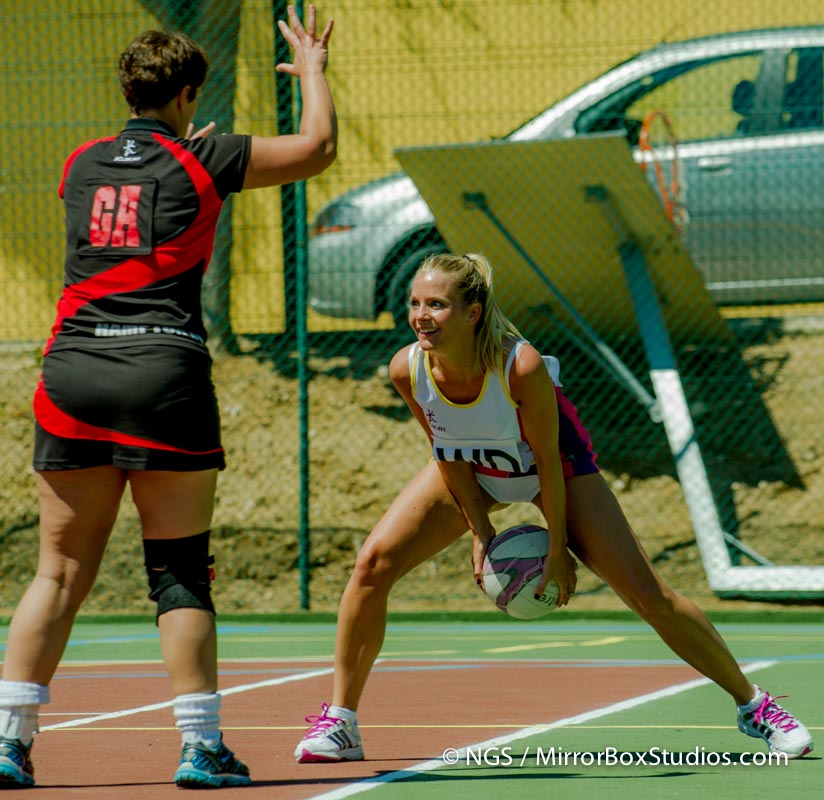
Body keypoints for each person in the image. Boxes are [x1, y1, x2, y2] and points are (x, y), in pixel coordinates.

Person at [293, 252, 813, 764]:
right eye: (415, 303)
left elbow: (548, 459)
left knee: (649, 595)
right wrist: (480, 531)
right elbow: (446, 449)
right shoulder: (408, 369)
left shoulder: (519, 365)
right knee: (372, 565)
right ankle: (342, 723)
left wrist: (559, 549)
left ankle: (755, 706)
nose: (421, 316)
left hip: (556, 473)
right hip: (474, 468)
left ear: (472, 313)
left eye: (437, 304)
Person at [0, 4, 336, 789]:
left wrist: (185, 152)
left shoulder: (80, 164)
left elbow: (134, 195)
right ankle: (200, 746)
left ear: (129, 91)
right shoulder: (206, 158)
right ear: (189, 93)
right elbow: (316, 148)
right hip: (163, 372)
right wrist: (312, 73)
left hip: (74, 373)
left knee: (57, 571)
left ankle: (9, 741)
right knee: (179, 571)